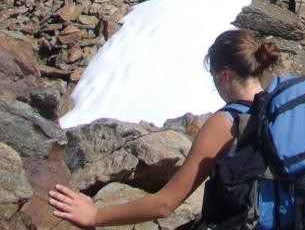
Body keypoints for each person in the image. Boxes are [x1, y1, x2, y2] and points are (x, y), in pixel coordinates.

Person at [49, 30, 282, 228]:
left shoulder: (226, 122)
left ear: (226, 75)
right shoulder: (281, 107)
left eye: (213, 76)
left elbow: (164, 204)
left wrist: (95, 215)